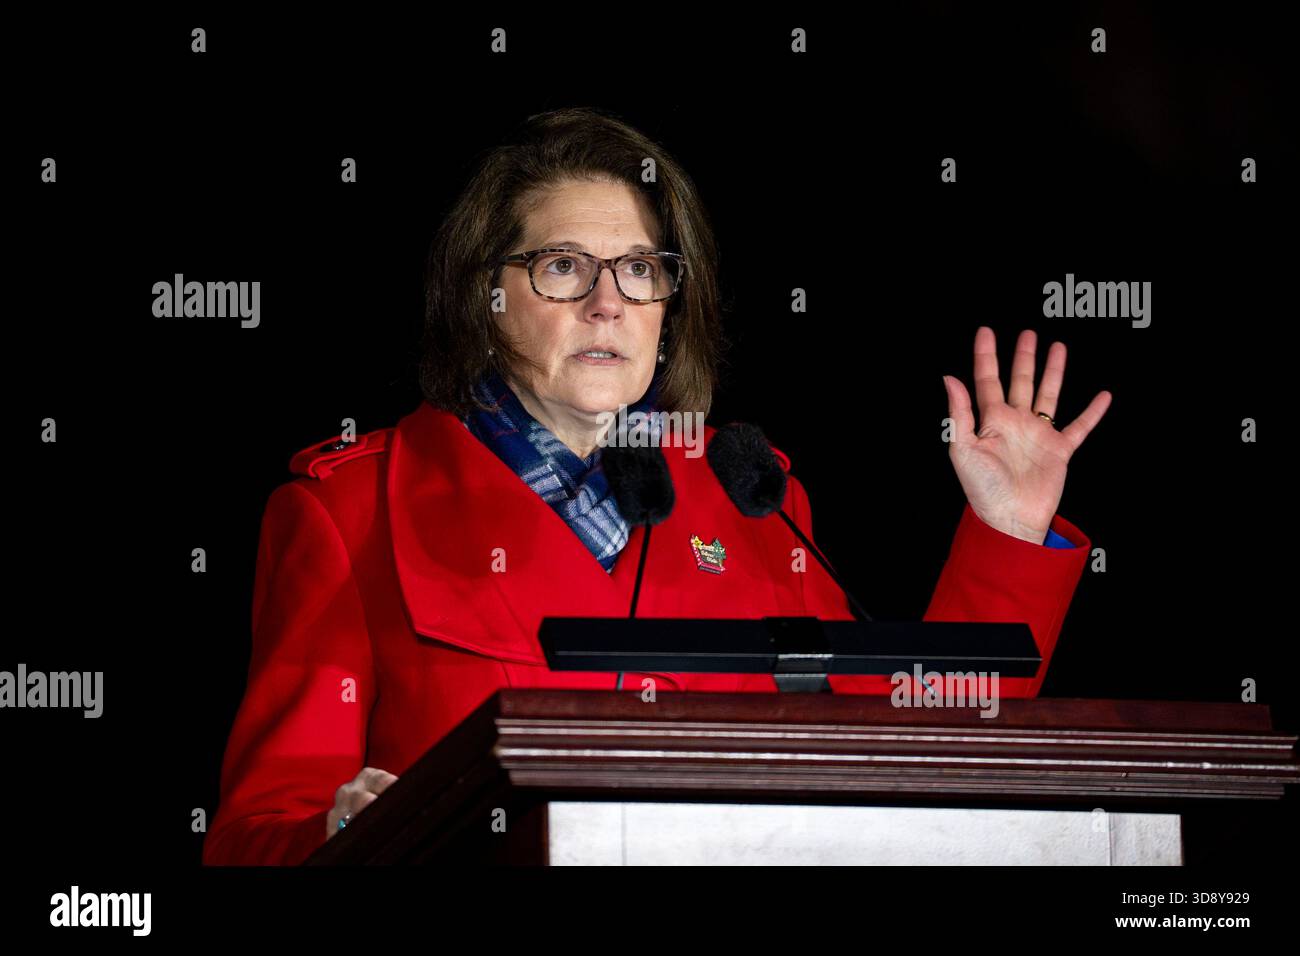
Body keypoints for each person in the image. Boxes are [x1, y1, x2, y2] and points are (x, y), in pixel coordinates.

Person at [202, 107, 1111, 866]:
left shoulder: (751, 495)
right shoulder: (348, 512)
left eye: (639, 270)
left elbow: (899, 756)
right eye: (562, 266)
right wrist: (337, 837)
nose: (608, 303)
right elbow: (251, 838)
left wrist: (1006, 535)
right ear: (483, 297)